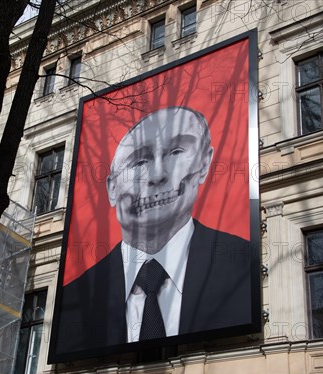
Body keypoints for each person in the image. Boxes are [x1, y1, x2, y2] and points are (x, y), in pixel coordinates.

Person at [55, 107, 250, 355]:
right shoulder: (73, 300)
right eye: (139, 161)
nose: (158, 175)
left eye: (176, 152)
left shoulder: (243, 265)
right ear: (112, 188)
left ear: (204, 162)